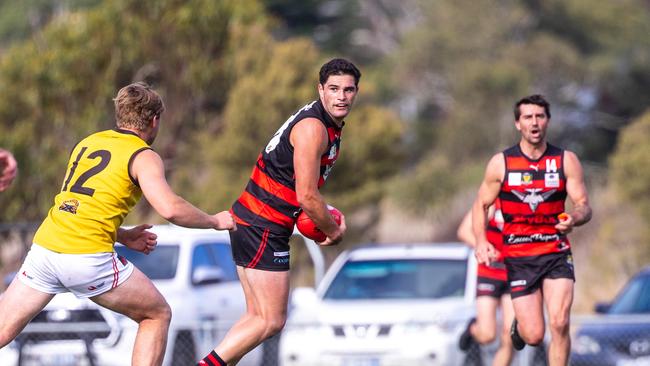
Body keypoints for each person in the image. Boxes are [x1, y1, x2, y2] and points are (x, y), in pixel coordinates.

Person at [0, 82, 235, 366]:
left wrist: (122, 235)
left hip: (45, 250)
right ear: (154, 120)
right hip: (87, 258)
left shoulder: (88, 143)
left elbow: (78, 207)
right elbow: (170, 209)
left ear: (120, 115)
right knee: (156, 314)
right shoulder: (143, 155)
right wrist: (214, 220)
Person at [198, 58, 360, 366]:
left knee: (256, 318)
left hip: (254, 221)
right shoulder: (314, 129)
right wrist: (332, 230)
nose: (342, 96)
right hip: (262, 225)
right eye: (334, 89)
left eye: (349, 90)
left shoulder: (325, 122)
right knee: (270, 320)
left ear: (356, 92)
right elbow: (307, 196)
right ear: (321, 90)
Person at [472, 94, 591, 366]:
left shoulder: (565, 160)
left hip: (555, 251)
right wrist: (481, 240)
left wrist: (574, 217)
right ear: (518, 123)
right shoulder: (501, 163)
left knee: (560, 322)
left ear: (547, 121)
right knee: (535, 335)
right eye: (528, 117)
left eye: (540, 116)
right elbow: (481, 204)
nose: (534, 122)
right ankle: (520, 328)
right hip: (519, 255)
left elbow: (584, 205)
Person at [457, 200, 514, 366]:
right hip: (490, 272)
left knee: (509, 334)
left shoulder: (522, 202)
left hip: (514, 273)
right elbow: (463, 231)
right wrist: (484, 247)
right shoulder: (491, 203)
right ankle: (473, 329)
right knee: (488, 335)